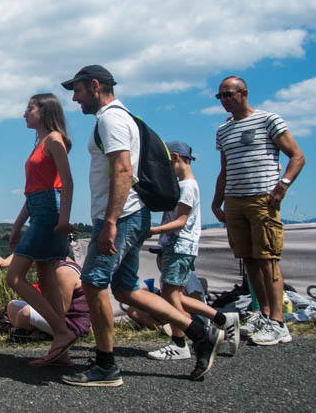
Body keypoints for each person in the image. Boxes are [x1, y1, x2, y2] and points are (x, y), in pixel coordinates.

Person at [59, 65, 222, 387]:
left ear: (95, 86)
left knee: (93, 283)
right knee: (126, 289)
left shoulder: (111, 119)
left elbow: (122, 170)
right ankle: (201, 332)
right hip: (132, 214)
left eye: (77, 90)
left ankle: (106, 367)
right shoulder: (122, 117)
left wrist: (109, 222)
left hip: (122, 216)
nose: (74, 98)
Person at [211, 76, 305, 346]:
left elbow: (297, 156)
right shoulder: (223, 130)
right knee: (248, 259)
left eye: (228, 94)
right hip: (235, 199)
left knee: (268, 259)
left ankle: (278, 321)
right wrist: (217, 202)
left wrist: (282, 185)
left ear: (244, 93)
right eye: (220, 97)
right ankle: (262, 312)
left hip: (262, 197)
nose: (224, 100)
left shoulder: (268, 120)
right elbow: (224, 169)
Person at [147, 141, 240, 360]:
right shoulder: (185, 185)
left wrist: (153, 230)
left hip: (179, 245)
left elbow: (181, 221)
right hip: (177, 245)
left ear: (175, 158)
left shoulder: (187, 186)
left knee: (170, 294)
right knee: (176, 294)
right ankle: (222, 319)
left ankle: (179, 343)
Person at [5, 93, 79, 365]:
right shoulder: (40, 143)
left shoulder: (54, 140)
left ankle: (61, 332)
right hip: (39, 209)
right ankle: (63, 352)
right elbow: (33, 192)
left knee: (13, 278)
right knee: (47, 281)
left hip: (49, 213)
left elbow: (67, 183)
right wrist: (16, 226)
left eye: (29, 108)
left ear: (45, 112)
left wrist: (64, 219)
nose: (25, 113)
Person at [0, 254, 91, 366]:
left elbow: (61, 311)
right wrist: (5, 262)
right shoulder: (53, 262)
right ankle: (39, 332)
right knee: (12, 305)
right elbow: (23, 257)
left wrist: (36, 301)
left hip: (72, 325)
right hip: (60, 318)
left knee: (25, 313)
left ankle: (51, 334)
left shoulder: (63, 272)